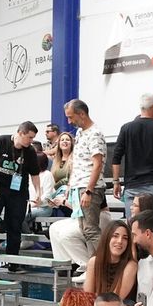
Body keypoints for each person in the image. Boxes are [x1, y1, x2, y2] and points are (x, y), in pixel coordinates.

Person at [49, 99, 108, 272]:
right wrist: (70, 187)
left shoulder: (95, 133)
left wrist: (88, 191)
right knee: (84, 229)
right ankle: (93, 265)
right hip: (78, 186)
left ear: (81, 114)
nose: (69, 121)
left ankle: (102, 267)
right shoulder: (81, 133)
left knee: (90, 229)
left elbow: (97, 164)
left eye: (71, 117)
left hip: (89, 187)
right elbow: (77, 163)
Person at [0, 121, 44, 256]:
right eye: (30, 137)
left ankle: (13, 259)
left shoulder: (30, 151)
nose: (31, 141)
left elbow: (35, 174)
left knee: (15, 223)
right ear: (20, 133)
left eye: (33, 138)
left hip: (17, 191)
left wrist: (38, 192)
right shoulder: (1, 142)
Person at [113, 93, 153, 209]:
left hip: (132, 186)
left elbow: (116, 157)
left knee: (133, 224)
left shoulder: (126, 128)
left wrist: (116, 182)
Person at [84, 219, 137, 300]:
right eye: (115, 236)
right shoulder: (94, 262)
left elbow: (115, 301)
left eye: (125, 238)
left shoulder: (131, 265)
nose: (120, 241)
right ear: (107, 238)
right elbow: (87, 297)